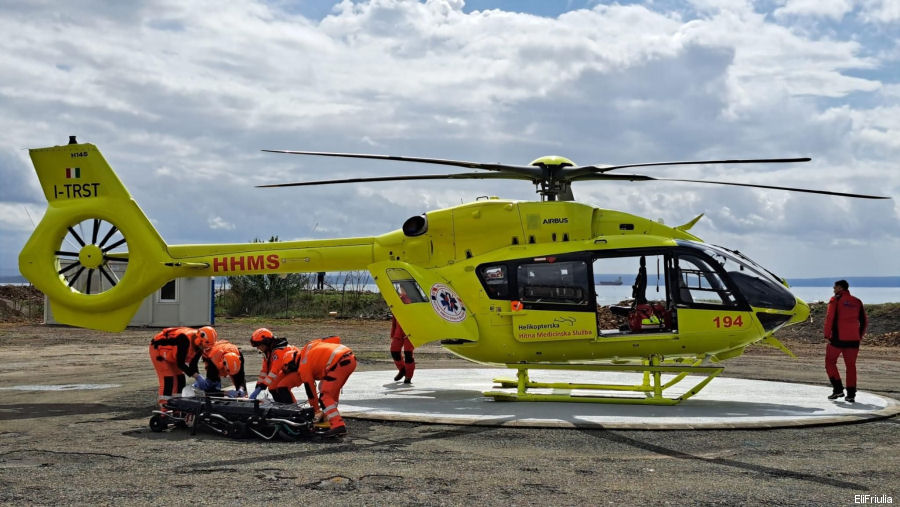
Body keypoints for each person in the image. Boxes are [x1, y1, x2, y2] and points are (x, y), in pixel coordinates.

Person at [283, 336, 356, 437]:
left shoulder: (303, 366)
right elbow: (335, 339)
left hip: (339, 363)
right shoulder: (309, 346)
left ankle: (338, 425)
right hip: (349, 358)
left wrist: (315, 410)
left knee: (325, 396)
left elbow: (310, 391)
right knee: (329, 392)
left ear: (293, 363)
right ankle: (329, 420)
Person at [824, 279, 868, 403]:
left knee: (830, 362)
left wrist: (827, 335)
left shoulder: (835, 300)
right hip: (853, 340)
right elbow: (864, 321)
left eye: (835, 287)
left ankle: (838, 390)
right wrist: (859, 336)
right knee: (851, 366)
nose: (833, 289)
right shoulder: (857, 301)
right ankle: (851, 395)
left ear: (840, 288)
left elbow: (829, 318)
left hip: (837, 339)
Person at [149, 326, 205, 411]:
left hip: (172, 354)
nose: (203, 348)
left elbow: (193, 364)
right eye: (202, 346)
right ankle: (164, 408)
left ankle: (177, 406)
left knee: (180, 379)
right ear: (198, 340)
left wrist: (198, 376)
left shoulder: (201, 345)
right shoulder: (184, 340)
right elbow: (180, 364)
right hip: (158, 350)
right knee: (168, 379)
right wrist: (195, 376)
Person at [248, 328, 300, 403]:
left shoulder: (279, 351)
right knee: (272, 387)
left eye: (259, 345)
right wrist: (259, 385)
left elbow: (274, 371)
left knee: (282, 387)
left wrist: (263, 385)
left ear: (266, 342)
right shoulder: (268, 352)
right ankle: (281, 407)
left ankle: (293, 408)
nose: (258, 348)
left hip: (297, 371)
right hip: (288, 371)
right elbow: (264, 370)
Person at [194, 328, 247, 397]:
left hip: (222, 353)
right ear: (222, 365)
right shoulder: (213, 365)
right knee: (209, 387)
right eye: (227, 372)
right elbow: (209, 392)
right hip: (213, 362)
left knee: (239, 382)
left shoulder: (239, 357)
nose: (227, 375)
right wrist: (226, 393)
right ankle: (195, 387)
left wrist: (241, 389)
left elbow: (241, 378)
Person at [389, 285, 415, 383]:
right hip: (398, 332)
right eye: (400, 287)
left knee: (408, 354)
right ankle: (402, 369)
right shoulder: (397, 300)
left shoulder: (415, 299)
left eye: (402, 287)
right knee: (394, 351)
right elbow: (394, 319)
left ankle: (408, 376)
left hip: (410, 332)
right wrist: (393, 333)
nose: (401, 289)